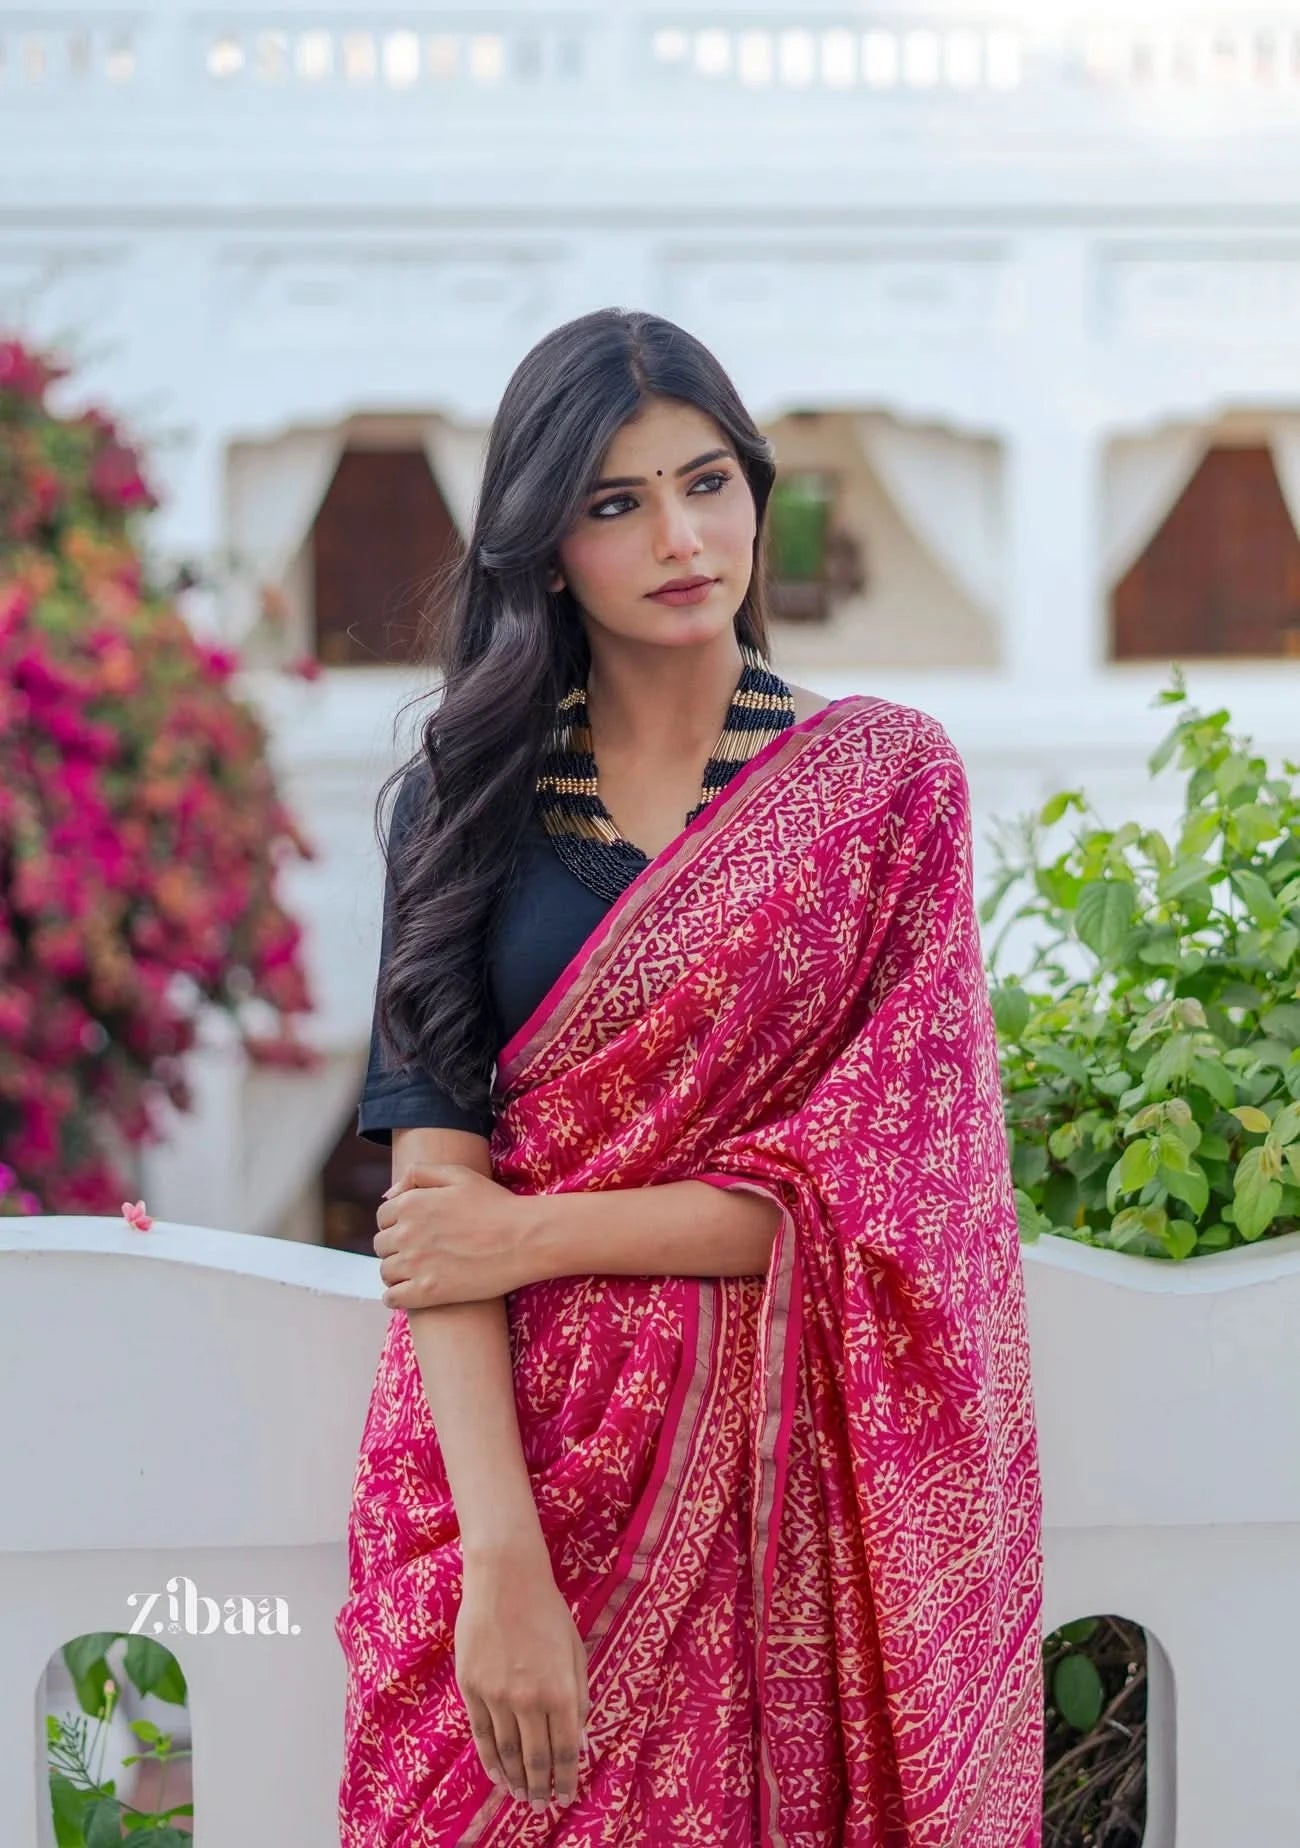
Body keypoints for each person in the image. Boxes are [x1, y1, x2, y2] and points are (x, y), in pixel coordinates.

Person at [334, 308, 1045, 1846]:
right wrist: (503, 1565)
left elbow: (900, 1203)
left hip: (782, 1489)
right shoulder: (462, 804)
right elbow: (432, 1209)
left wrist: (538, 1232)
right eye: (616, 501)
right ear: (544, 543)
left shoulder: (883, 790)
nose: (680, 536)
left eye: (708, 482)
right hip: (502, 1470)